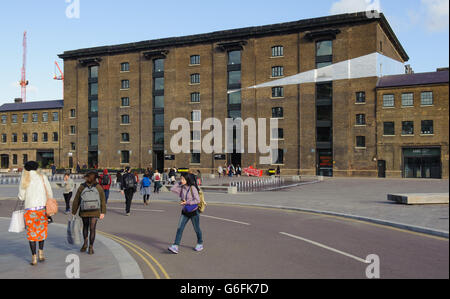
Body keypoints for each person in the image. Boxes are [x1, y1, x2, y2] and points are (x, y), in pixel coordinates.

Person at [18, 161, 53, 266]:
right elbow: (50, 192)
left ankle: (34, 258)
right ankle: (41, 253)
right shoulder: (43, 177)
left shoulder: (25, 179)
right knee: (41, 232)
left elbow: (21, 196)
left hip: (30, 210)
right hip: (42, 210)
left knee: (32, 234)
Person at [72, 171, 106, 255]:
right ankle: (91, 247)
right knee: (92, 229)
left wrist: (74, 211)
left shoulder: (82, 187)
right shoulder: (98, 187)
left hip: (84, 211)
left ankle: (85, 243)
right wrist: (103, 212)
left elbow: (76, 200)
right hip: (95, 210)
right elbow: (102, 200)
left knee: (85, 227)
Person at [168, 173, 203, 254]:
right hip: (185, 211)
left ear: (188, 180)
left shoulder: (193, 188)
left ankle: (200, 243)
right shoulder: (182, 187)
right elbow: (172, 189)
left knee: (196, 229)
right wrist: (179, 183)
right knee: (180, 228)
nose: (181, 180)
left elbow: (197, 200)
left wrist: (187, 202)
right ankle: (175, 246)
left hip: (193, 211)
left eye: (183, 179)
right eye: (181, 179)